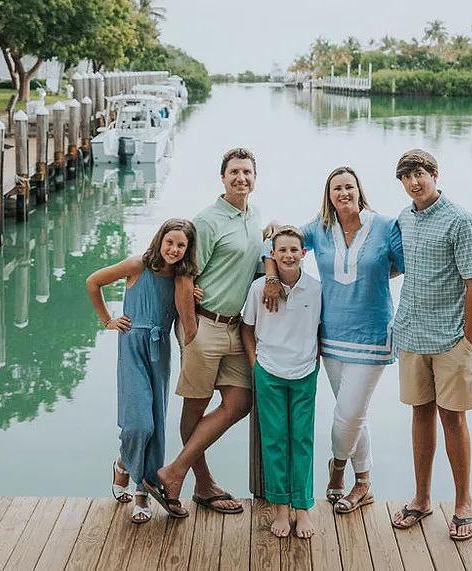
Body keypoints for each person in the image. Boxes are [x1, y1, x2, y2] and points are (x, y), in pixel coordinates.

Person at [263, 166, 403, 514]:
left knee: (348, 414)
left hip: (373, 334)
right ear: (329, 195)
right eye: (336, 188)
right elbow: (276, 243)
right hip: (331, 336)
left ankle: (338, 470)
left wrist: (371, 275)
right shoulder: (320, 229)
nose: (343, 193)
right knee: (355, 416)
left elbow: (402, 264)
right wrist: (270, 279)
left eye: (349, 187)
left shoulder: (385, 226)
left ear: (359, 191)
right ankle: (365, 483)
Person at [144, 147, 267, 518]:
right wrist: (192, 329)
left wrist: (273, 235)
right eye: (234, 172)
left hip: (236, 329)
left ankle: (174, 472)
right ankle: (201, 482)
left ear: (255, 177)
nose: (241, 178)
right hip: (205, 327)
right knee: (195, 406)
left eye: (247, 172)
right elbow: (185, 276)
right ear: (223, 176)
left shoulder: (253, 215)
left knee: (240, 403)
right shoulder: (208, 221)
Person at [388, 149, 472, 542]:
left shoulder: (460, 220)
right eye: (407, 177)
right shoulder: (404, 218)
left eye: (420, 174)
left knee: (453, 419)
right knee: (420, 415)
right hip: (410, 334)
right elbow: (398, 264)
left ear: (434, 174)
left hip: (450, 340)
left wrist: (468, 342)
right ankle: (422, 499)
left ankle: (463, 504)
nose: (414, 182)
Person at [86, 218, 199, 523]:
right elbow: (93, 281)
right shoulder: (137, 265)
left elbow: (185, 318)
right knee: (138, 425)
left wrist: (190, 294)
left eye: (181, 245)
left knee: (156, 424)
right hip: (133, 346)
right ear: (159, 240)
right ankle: (124, 464)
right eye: (170, 242)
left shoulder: (181, 278)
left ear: (188, 249)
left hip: (160, 351)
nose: (174, 249)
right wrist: (108, 320)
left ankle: (140, 491)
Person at [242, 226, 322, 539]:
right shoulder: (259, 288)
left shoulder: (315, 289)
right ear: (272, 255)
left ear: (304, 254)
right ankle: (279, 509)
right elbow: (247, 329)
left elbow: (319, 328)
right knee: (274, 441)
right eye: (282, 250)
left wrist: (314, 361)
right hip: (269, 372)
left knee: (302, 440)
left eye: (294, 250)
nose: (288, 255)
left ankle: (302, 509)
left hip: (303, 373)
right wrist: (255, 365)